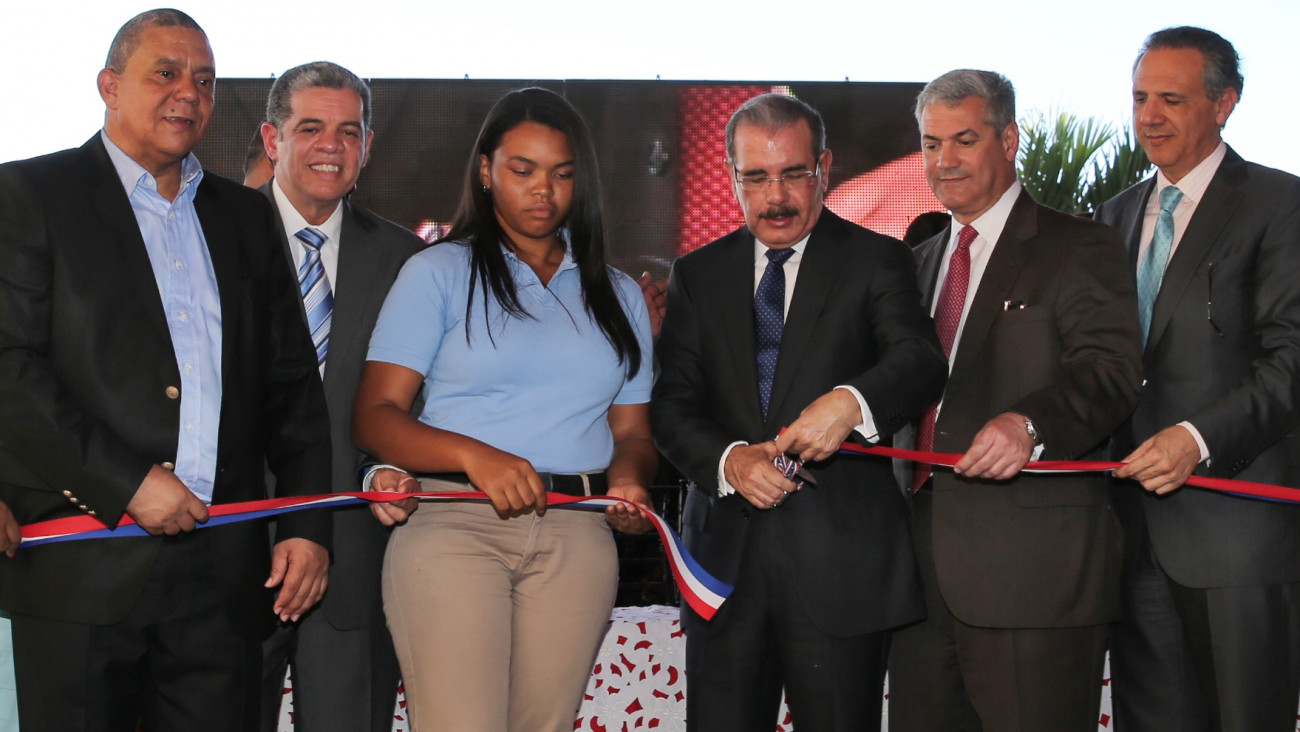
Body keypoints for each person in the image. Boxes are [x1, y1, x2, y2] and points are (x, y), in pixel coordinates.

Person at [0, 9, 332, 731]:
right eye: (166, 73)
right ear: (109, 86)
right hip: (80, 567)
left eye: (205, 80)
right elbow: (9, 372)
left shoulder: (245, 217)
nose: (190, 93)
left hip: (224, 581)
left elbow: (293, 391)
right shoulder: (28, 195)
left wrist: (307, 525)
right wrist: (126, 483)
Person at [351, 86, 656, 732]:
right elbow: (375, 414)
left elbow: (632, 432)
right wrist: (475, 457)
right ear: (486, 171)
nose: (543, 190)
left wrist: (630, 481)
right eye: (523, 170)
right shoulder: (437, 272)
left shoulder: (620, 294)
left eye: (562, 173)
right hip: (453, 526)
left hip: (578, 534)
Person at [650, 92, 947, 731]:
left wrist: (852, 402)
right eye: (756, 178)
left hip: (842, 569)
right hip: (723, 570)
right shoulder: (697, 274)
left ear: (825, 168)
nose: (776, 197)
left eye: (793, 174)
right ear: (731, 176)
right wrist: (729, 461)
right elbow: (672, 405)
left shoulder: (877, 259)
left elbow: (921, 359)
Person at [886, 69, 1143, 732]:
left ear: (1009, 140)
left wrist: (1030, 424)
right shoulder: (914, 265)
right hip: (916, 582)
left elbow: (1111, 373)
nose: (944, 160)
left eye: (964, 140)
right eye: (931, 143)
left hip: (1033, 579)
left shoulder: (1079, 244)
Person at [1094, 26, 1300, 732]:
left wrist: (1197, 439)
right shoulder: (1112, 218)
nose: (1149, 116)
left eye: (1171, 100)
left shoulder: (1280, 203)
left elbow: (1292, 363)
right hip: (1132, 543)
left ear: (1224, 104)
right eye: (1140, 98)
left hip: (1239, 540)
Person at [255, 62, 426, 732]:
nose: (332, 145)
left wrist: (389, 467)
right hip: (232, 556)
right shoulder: (213, 237)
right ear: (272, 138)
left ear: (368, 145)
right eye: (311, 128)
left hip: (356, 562)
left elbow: (419, 401)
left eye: (349, 131)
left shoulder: (407, 262)